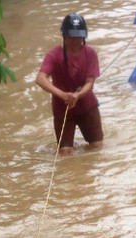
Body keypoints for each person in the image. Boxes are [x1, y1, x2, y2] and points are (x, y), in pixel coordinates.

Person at [36, 13, 103, 154]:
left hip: (87, 106)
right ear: (64, 35)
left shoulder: (90, 53)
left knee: (97, 147)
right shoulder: (54, 55)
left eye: (79, 37)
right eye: (71, 37)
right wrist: (63, 95)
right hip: (62, 108)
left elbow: (90, 82)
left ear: (84, 37)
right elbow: (40, 78)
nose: (75, 41)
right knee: (65, 152)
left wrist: (77, 95)